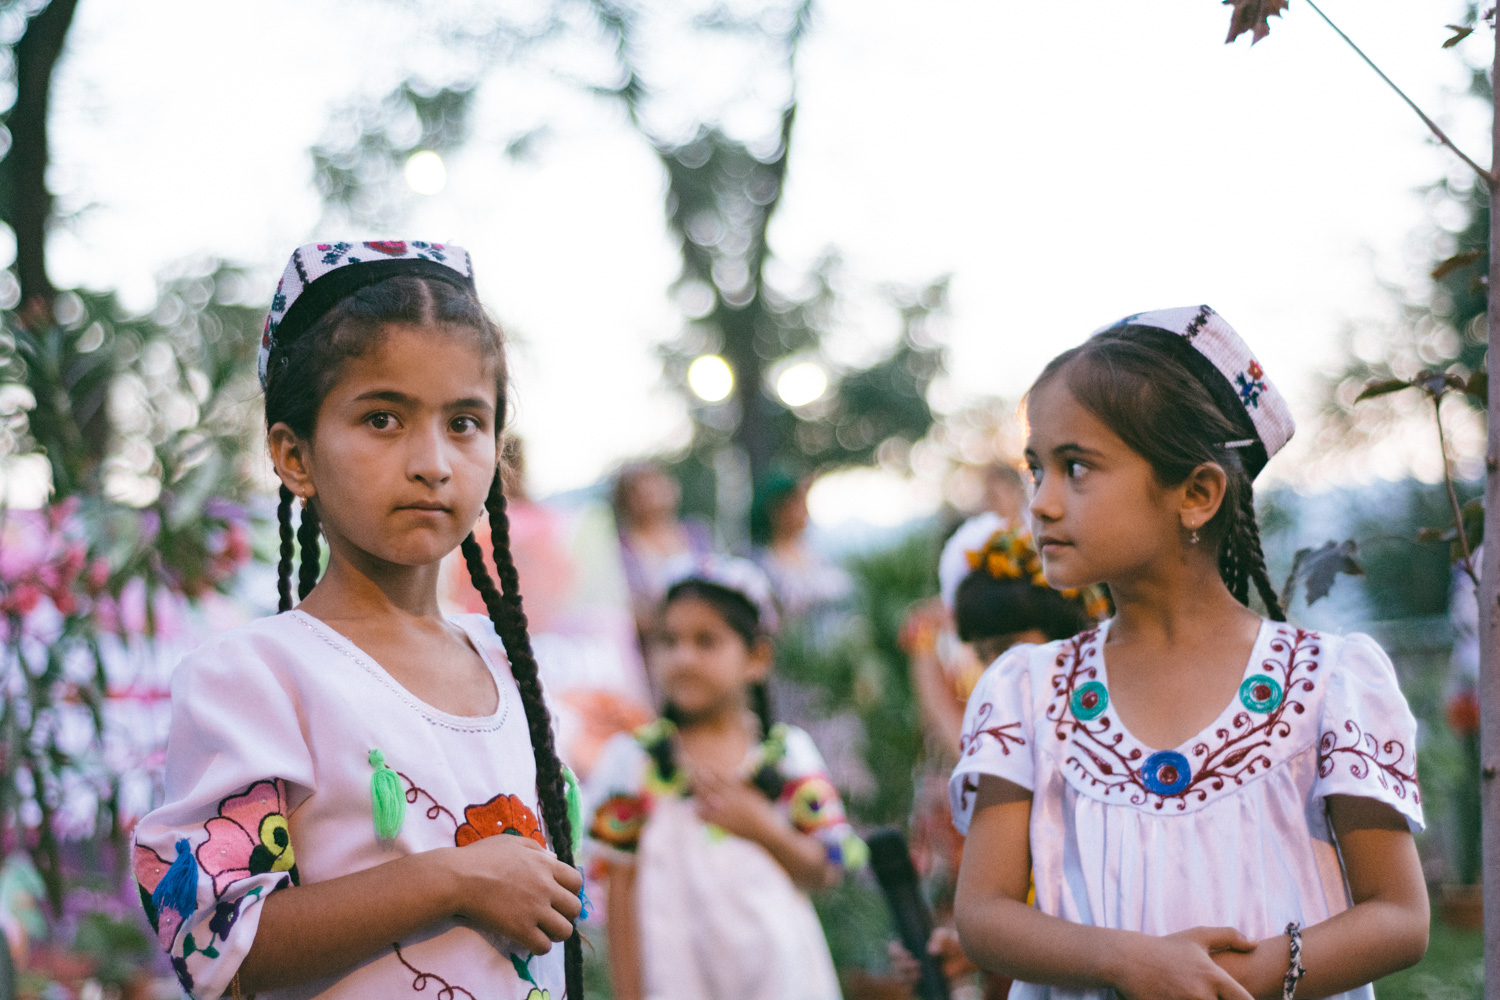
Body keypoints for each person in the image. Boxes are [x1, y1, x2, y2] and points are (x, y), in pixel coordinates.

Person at [131, 242, 584, 1000]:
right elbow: (217, 946)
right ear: (294, 455)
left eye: (465, 422)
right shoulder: (255, 677)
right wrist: (451, 878)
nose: (433, 461)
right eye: (383, 418)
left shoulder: (508, 665)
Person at [951, 306, 1429, 1000]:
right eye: (1036, 470)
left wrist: (1232, 981)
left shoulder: (1329, 683)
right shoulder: (1026, 689)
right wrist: (1131, 963)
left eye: (1076, 467)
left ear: (1198, 494)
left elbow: (1398, 916)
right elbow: (985, 913)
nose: (1042, 504)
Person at [586, 557, 864, 1000]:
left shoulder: (785, 755)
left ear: (757, 658)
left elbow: (825, 869)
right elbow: (619, 889)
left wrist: (762, 828)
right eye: (669, 641)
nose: (683, 658)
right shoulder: (634, 764)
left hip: (782, 981)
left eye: (706, 641)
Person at [899, 526, 1102, 1000]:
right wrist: (971, 944)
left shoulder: (1100, 747)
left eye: (1009, 647)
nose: (998, 670)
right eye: (985, 655)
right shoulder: (1001, 764)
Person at [613, 461, 715, 645]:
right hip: (651, 646)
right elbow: (621, 608)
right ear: (625, 500)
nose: (650, 497)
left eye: (655, 488)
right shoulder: (618, 548)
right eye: (639, 493)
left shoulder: (698, 533)